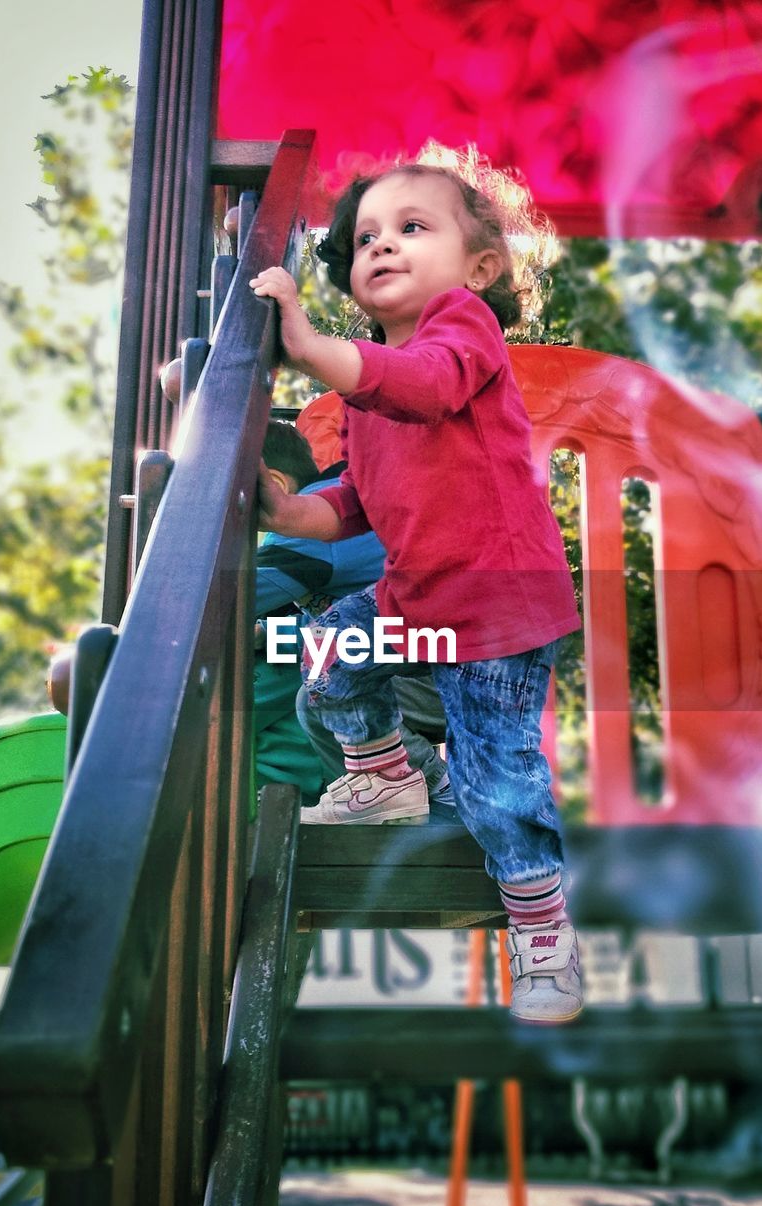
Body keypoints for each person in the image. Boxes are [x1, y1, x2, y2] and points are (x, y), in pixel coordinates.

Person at [249, 156, 583, 1023]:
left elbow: (426, 389)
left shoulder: (462, 330)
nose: (382, 246)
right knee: (328, 660)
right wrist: (288, 512)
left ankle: (544, 939)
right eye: (366, 237)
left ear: (479, 268)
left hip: (499, 611)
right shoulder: (367, 394)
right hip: (417, 600)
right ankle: (387, 777)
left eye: (411, 228)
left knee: (494, 781)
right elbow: (360, 500)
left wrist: (311, 344)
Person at [254, 419, 453, 811]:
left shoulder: (307, 526)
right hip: (432, 662)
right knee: (314, 689)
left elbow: (224, 599)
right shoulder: (335, 513)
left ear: (274, 485)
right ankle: (374, 796)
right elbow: (326, 631)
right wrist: (267, 635)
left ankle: (434, 787)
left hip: (441, 678)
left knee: (321, 692)